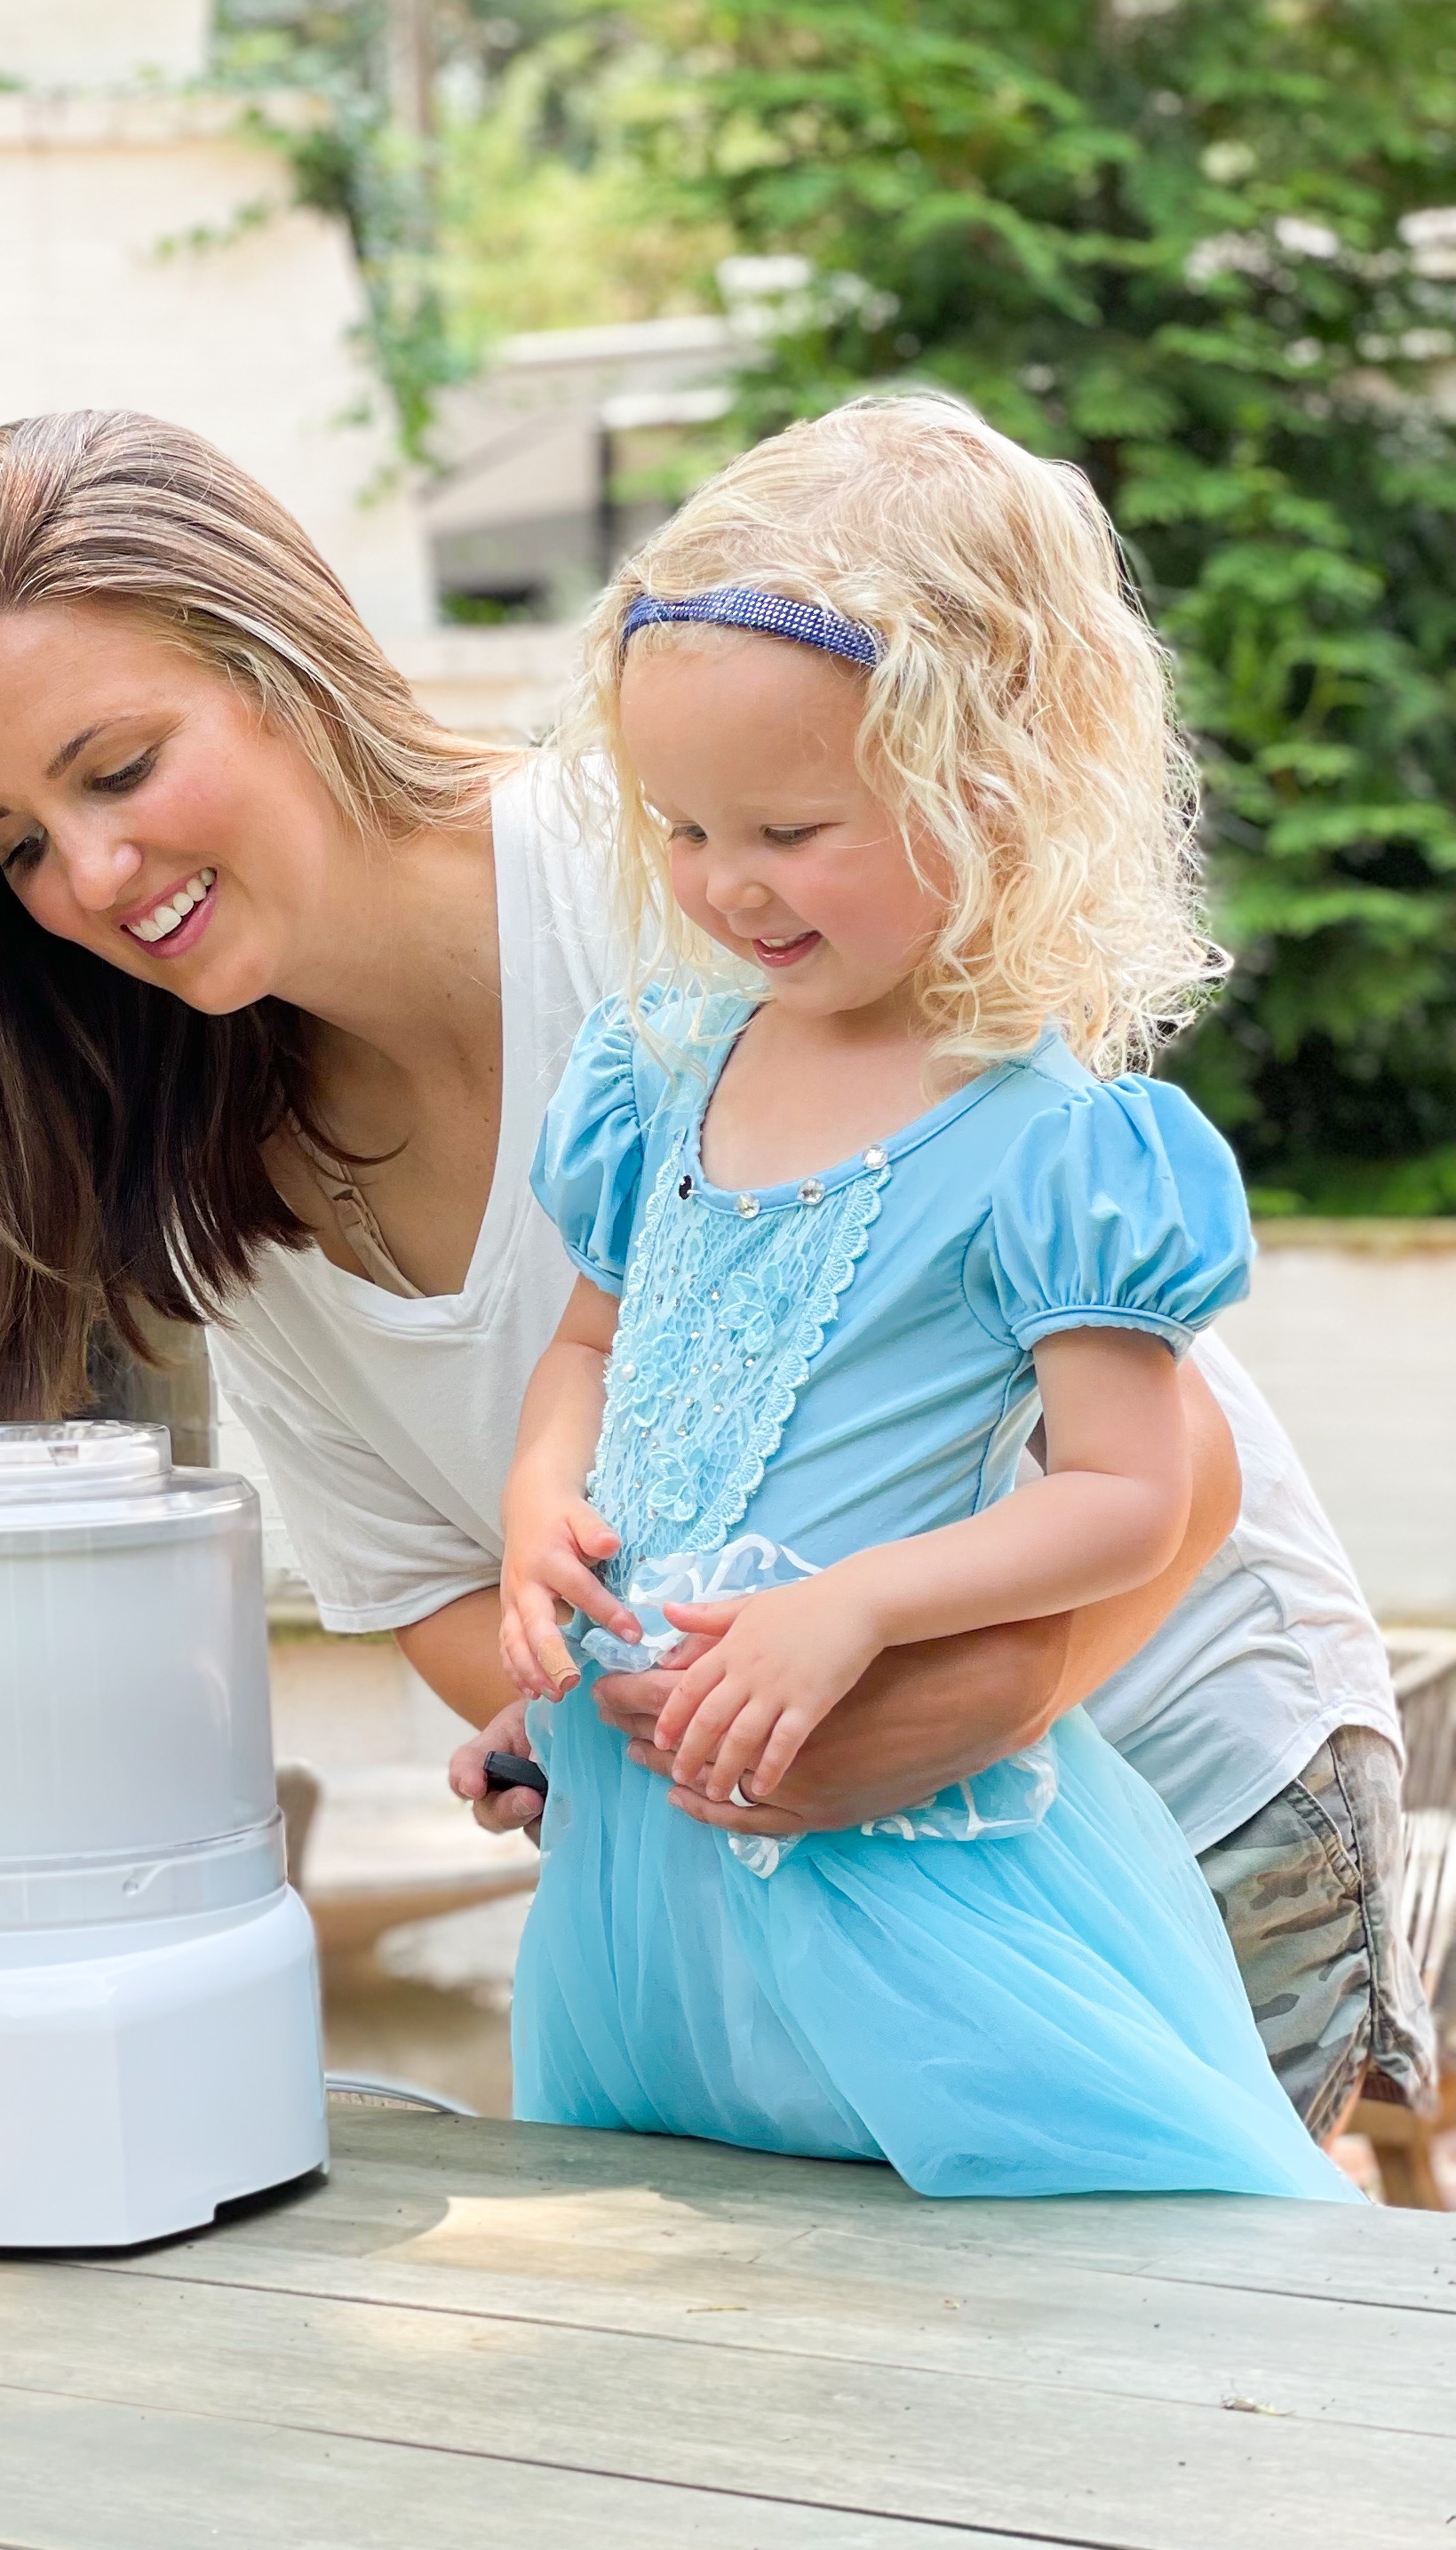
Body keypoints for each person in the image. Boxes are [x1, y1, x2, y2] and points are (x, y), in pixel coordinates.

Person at [0, 405, 1428, 2148]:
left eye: (116, 770)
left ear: (278, 664)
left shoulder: (677, 873)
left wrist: (932, 1710)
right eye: (18, 846)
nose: (91, 874)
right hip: (797, 1907)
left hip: (1169, 1801)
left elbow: (1175, 1475)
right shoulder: (213, 1172)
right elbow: (429, 1576)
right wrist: (604, 1726)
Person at [491, 392, 1365, 2193]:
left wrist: (860, 1612)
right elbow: (590, 1354)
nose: (727, 886)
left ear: (994, 790)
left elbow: (1129, 1499)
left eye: (792, 829)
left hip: (907, 1868)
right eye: (683, 829)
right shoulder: (657, 1075)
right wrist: (538, 1523)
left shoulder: (1055, 1143)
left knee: (1077, 2304)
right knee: (685, 2282)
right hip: (651, 1872)